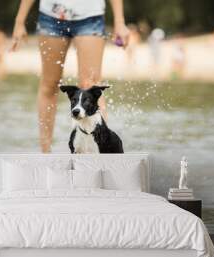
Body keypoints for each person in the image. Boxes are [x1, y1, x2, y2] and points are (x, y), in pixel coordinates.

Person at [11, 0, 129, 153]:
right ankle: (46, 154)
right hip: (51, 15)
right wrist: (19, 21)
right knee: (49, 84)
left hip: (90, 14)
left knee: (90, 84)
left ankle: (101, 150)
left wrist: (119, 21)